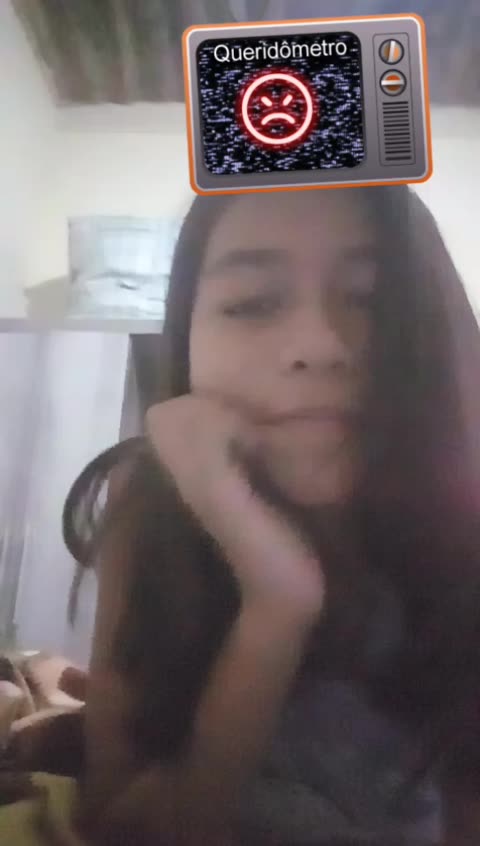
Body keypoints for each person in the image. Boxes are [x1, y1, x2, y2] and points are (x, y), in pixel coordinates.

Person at [61, 186, 480, 845]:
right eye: (252, 303)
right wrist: (275, 605)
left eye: (369, 299)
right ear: (187, 335)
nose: (318, 345)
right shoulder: (149, 503)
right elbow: (120, 826)